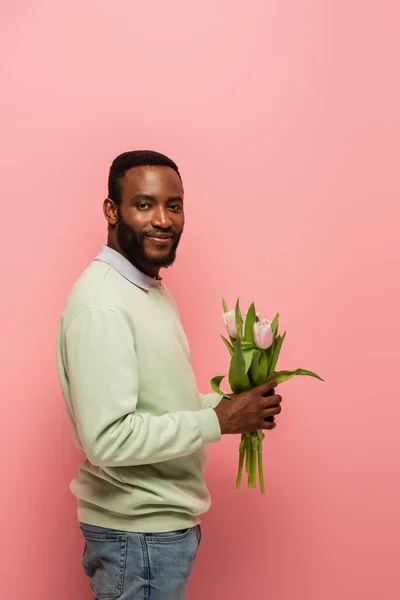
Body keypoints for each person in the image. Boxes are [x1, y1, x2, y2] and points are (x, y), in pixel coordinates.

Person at [56, 150, 283, 600]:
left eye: (173, 205)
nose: (162, 219)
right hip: (138, 538)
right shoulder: (104, 304)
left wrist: (231, 408)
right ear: (111, 210)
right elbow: (108, 439)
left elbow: (156, 405)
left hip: (153, 534)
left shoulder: (148, 289)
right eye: (143, 204)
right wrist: (217, 421)